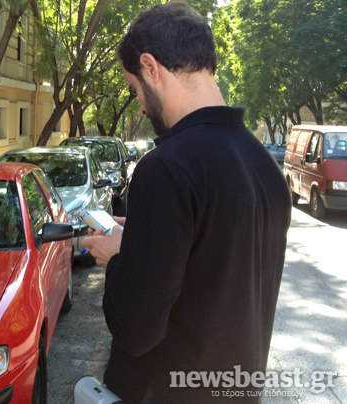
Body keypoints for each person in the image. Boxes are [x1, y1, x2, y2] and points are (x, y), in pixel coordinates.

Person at [79, 3, 291, 403]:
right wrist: (141, 242)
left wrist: (117, 257)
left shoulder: (167, 167)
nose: (140, 106)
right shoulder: (264, 166)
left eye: (134, 89)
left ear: (150, 67)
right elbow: (211, 273)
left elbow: (137, 331)